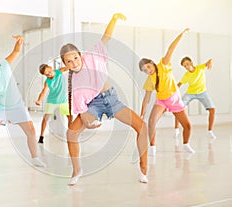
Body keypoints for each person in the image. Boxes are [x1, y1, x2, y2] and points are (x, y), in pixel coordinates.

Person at [60, 13, 148, 185]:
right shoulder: (75, 83)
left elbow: (105, 37)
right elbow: (84, 115)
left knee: (142, 127)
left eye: (75, 58)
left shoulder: (92, 56)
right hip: (95, 105)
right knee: (71, 133)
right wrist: (88, 123)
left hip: (112, 99)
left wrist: (114, 19)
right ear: (65, 64)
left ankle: (143, 168)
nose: (74, 63)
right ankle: (77, 170)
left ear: (80, 55)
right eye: (69, 62)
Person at [0, 35, 45, 171]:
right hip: (1, 108)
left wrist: (19, 41)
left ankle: (35, 157)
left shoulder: (5, 65)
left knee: (31, 130)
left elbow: (16, 52)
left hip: (17, 106)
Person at [139, 28, 195, 157]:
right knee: (152, 120)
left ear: (151, 63)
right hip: (162, 101)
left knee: (187, 126)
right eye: (144, 70)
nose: (147, 70)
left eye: (148, 67)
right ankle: (152, 148)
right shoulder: (149, 80)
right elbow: (147, 99)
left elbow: (171, 49)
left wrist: (181, 34)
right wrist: (142, 114)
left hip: (175, 99)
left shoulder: (163, 65)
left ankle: (186, 144)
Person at [174, 57, 216, 141]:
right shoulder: (186, 75)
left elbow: (210, 60)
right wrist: (173, 91)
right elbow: (179, 84)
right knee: (178, 108)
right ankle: (176, 129)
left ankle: (210, 131)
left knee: (212, 110)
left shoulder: (200, 68)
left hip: (202, 93)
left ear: (191, 62)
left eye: (187, 64)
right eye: (184, 66)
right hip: (190, 93)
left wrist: (210, 62)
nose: (186, 66)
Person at [35, 64, 72, 143]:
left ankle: (70, 135)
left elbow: (68, 67)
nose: (49, 74)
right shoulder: (47, 81)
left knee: (69, 117)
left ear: (51, 68)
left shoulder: (59, 71)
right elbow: (43, 92)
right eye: (46, 74)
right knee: (46, 118)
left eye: (49, 71)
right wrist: (39, 100)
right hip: (52, 101)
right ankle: (41, 136)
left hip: (63, 100)